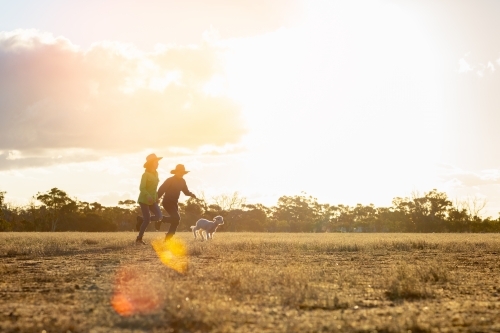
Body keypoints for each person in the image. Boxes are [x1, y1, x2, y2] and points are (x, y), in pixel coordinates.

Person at [156, 164, 197, 241]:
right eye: (180, 172)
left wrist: (191, 194)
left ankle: (168, 237)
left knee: (176, 220)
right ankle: (161, 219)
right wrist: (156, 198)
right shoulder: (170, 180)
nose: (181, 174)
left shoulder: (182, 181)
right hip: (167, 202)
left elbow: (186, 191)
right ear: (176, 172)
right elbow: (161, 189)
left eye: (183, 173)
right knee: (177, 218)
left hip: (174, 203)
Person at [135, 153, 163, 245]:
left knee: (159, 216)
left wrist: (156, 197)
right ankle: (139, 238)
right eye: (156, 162)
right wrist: (148, 196)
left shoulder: (156, 173)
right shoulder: (145, 175)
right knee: (147, 221)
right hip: (144, 199)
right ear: (151, 163)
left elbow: (154, 188)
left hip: (153, 200)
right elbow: (142, 188)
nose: (158, 164)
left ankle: (141, 219)